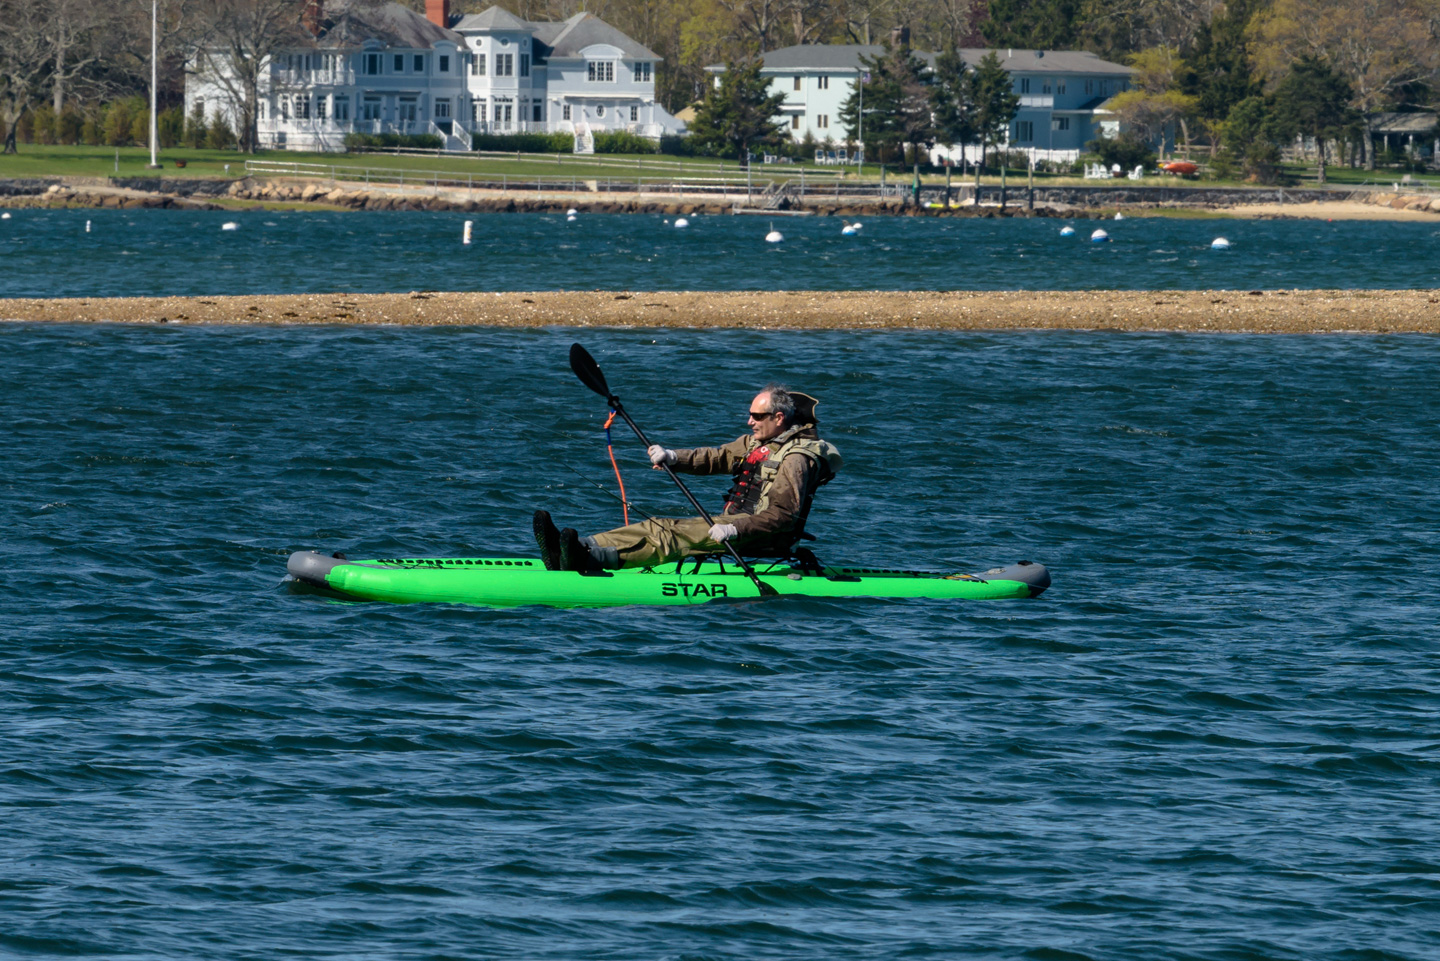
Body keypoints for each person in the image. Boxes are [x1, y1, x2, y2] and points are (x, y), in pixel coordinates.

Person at [534, 385, 842, 572]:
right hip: (734, 525)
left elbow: (783, 517)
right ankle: (578, 547)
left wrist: (734, 528)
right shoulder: (758, 443)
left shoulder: (797, 458)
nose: (749, 421)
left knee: (672, 533)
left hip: (762, 535)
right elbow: (717, 456)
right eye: (750, 414)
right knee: (657, 524)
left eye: (756, 417)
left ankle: (590, 559)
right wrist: (672, 457)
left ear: (779, 419)